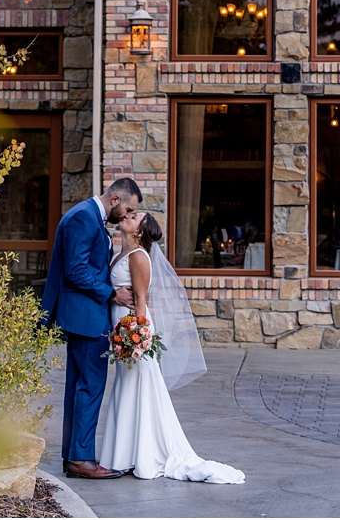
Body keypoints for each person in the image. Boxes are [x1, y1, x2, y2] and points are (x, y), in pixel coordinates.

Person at [99, 212, 244, 484]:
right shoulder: (123, 252)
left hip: (133, 330)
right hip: (123, 327)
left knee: (138, 388)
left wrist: (136, 338)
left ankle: (141, 455)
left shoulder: (139, 257)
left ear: (140, 232)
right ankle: (125, 454)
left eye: (134, 216)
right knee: (126, 388)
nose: (127, 215)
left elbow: (142, 301)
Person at [40, 177, 141, 480]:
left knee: (80, 386)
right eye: (128, 209)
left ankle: (74, 455)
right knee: (91, 386)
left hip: (84, 316)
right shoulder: (84, 217)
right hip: (86, 318)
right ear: (115, 200)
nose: (126, 216)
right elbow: (76, 271)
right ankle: (81, 459)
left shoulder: (87, 215)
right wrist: (112, 293)